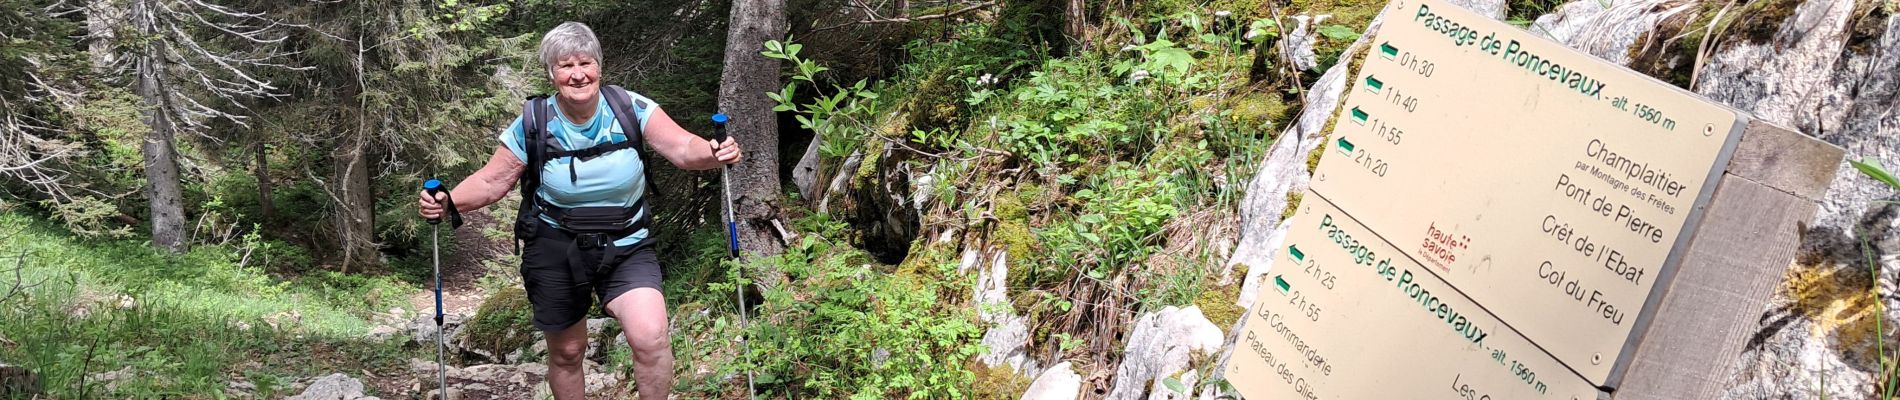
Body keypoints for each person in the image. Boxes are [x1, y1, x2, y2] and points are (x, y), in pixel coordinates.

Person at [417, 21, 740, 400]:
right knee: (568, 351)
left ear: (599, 66)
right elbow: (492, 181)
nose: (577, 74)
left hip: (627, 243)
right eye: (565, 66)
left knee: (650, 337)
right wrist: (449, 202)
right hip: (555, 246)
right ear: (551, 74)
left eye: (585, 63)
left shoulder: (631, 108)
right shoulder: (534, 121)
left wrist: (714, 151)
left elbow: (685, 149)